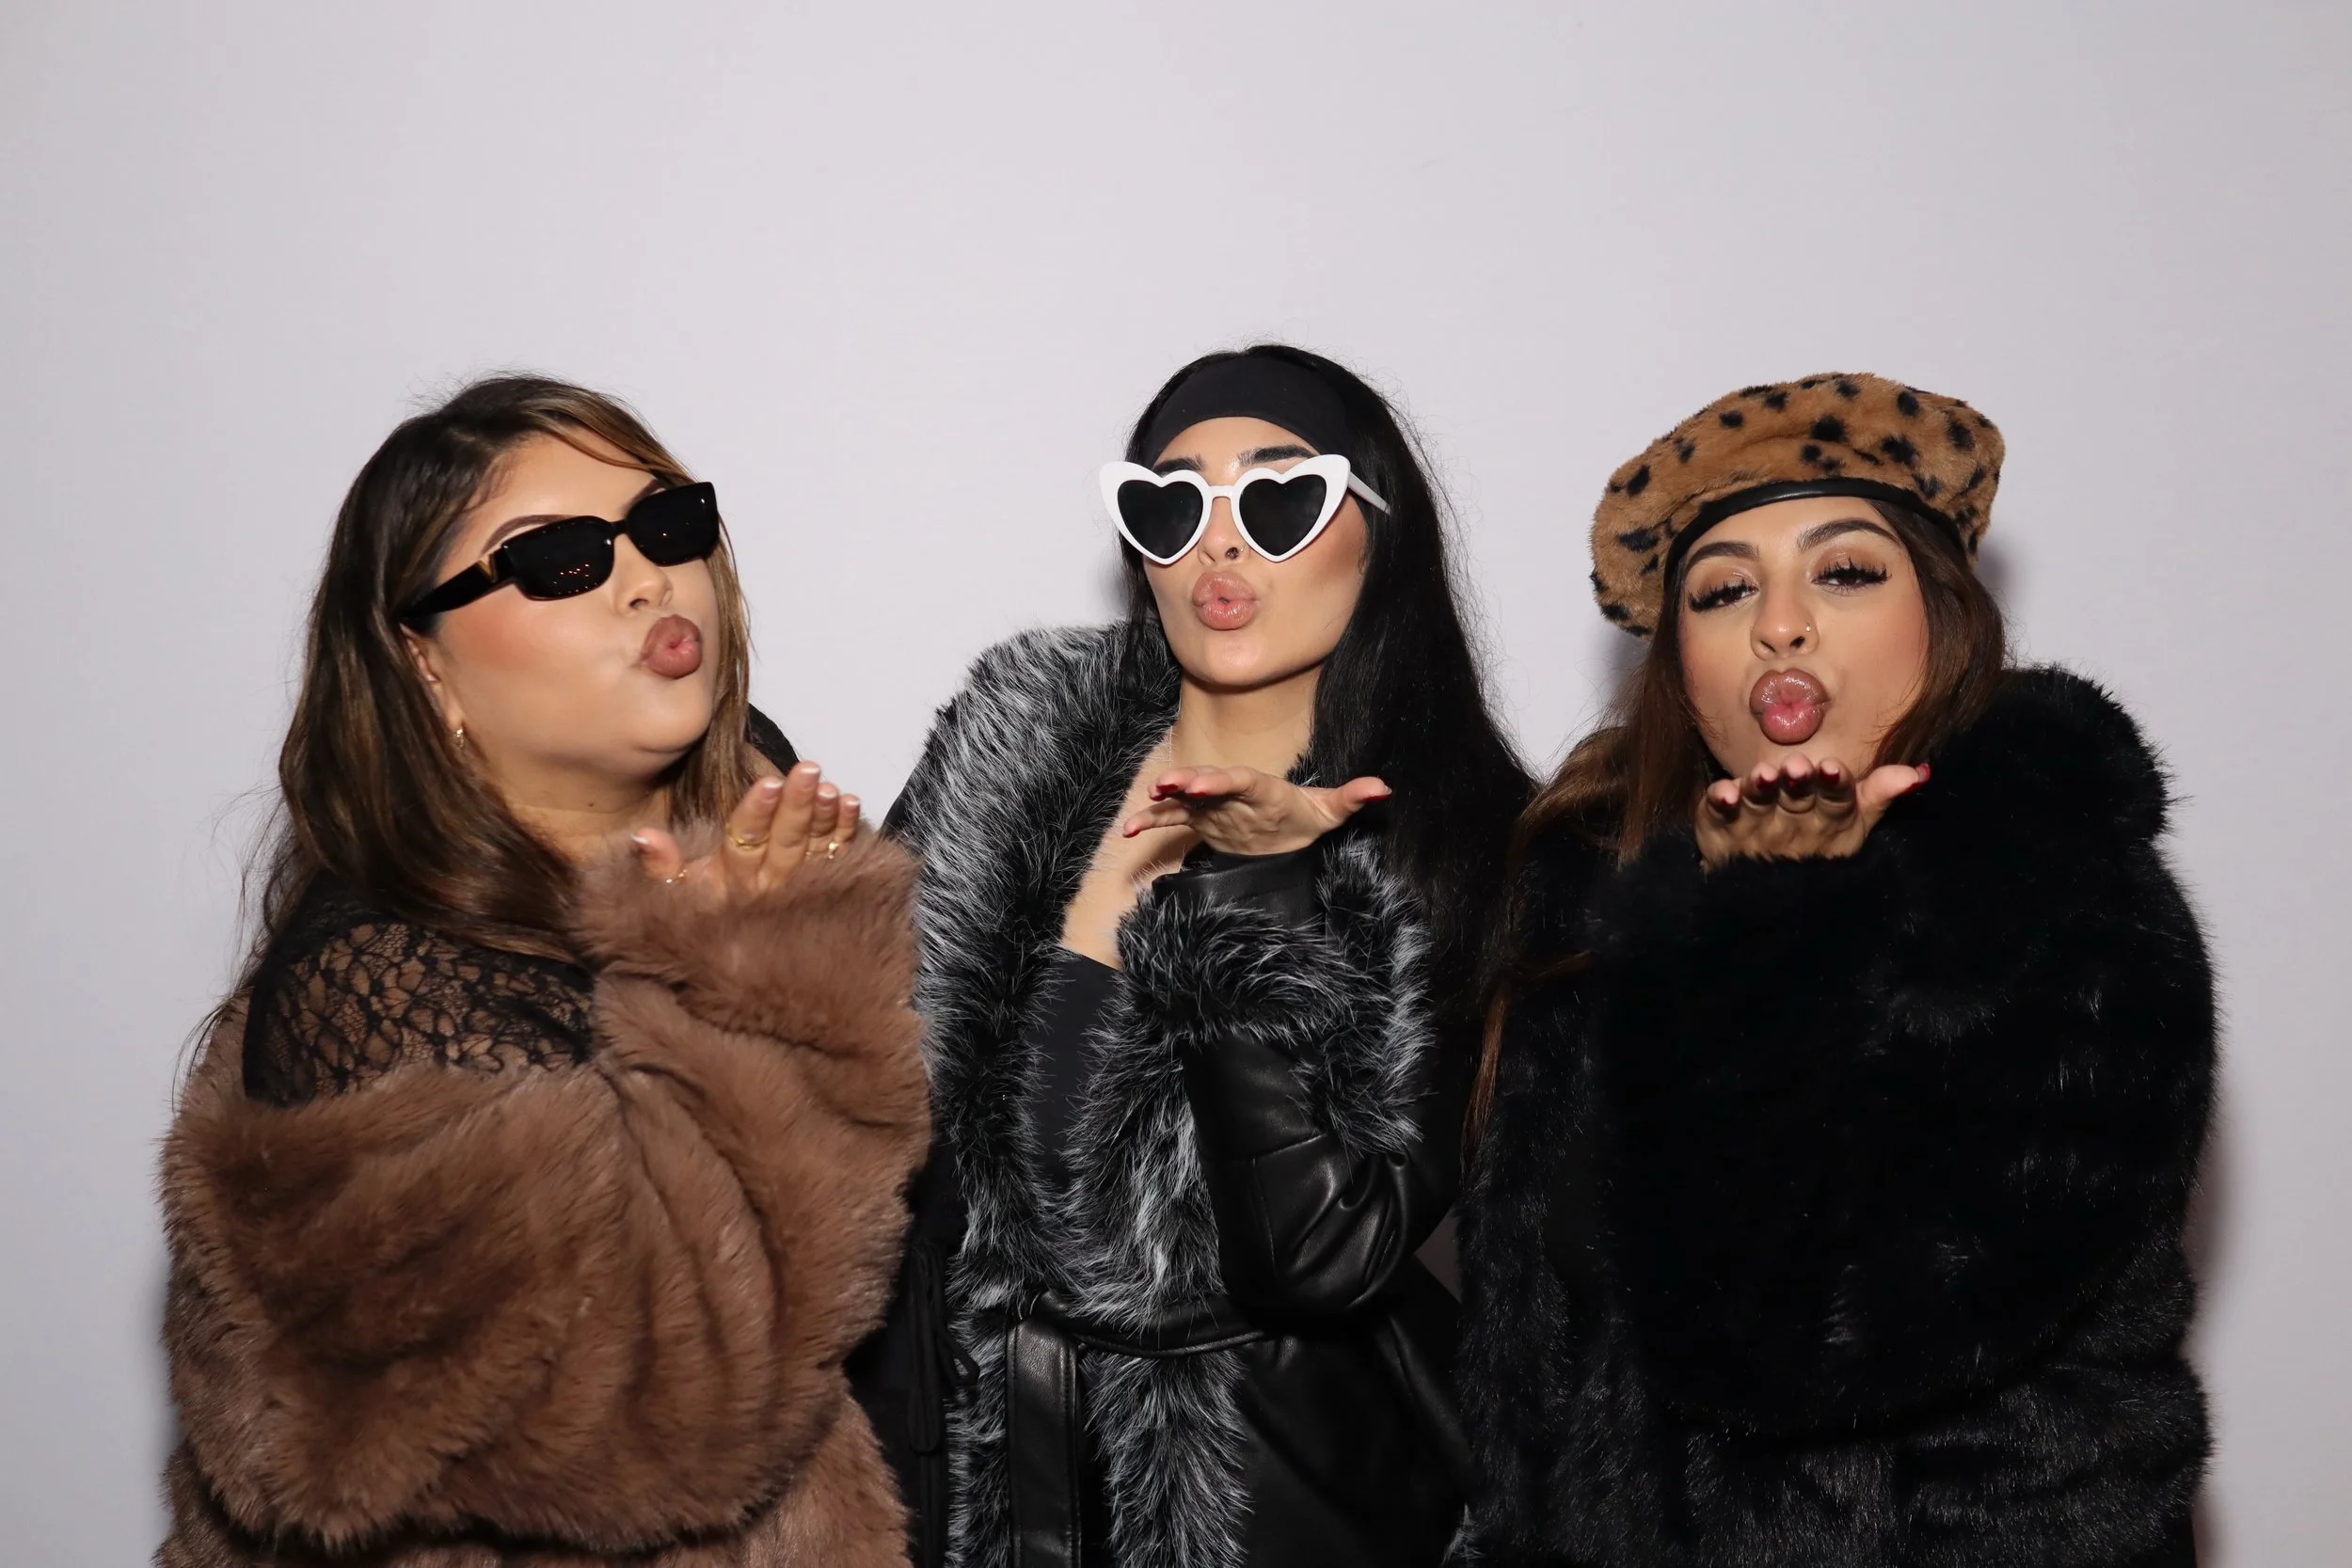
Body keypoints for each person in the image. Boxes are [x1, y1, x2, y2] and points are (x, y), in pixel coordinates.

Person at [158, 376, 929, 1568]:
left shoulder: (750, 822)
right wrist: (779, 985)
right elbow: (661, 1419)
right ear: (421, 659)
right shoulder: (377, 984)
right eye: (560, 558)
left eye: (667, 525)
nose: (645, 577)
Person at [1456, 373, 2215, 1568]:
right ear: (1681, 663)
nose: (1780, 624)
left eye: (1845, 571)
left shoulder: (2057, 900)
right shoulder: (1595, 908)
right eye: (1721, 591)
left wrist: (1774, 923)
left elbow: (1782, 1343)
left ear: (1942, 617)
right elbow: (1535, 1381)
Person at [851, 346, 1531, 1568]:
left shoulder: (1449, 836)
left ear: (1378, 531)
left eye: (1281, 500)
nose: (1220, 545)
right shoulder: (1015, 740)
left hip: (1265, 1502)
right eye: (1171, 505)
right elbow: (856, 1103)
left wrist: (1246, 895)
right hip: (977, 1484)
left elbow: (1324, 1255)